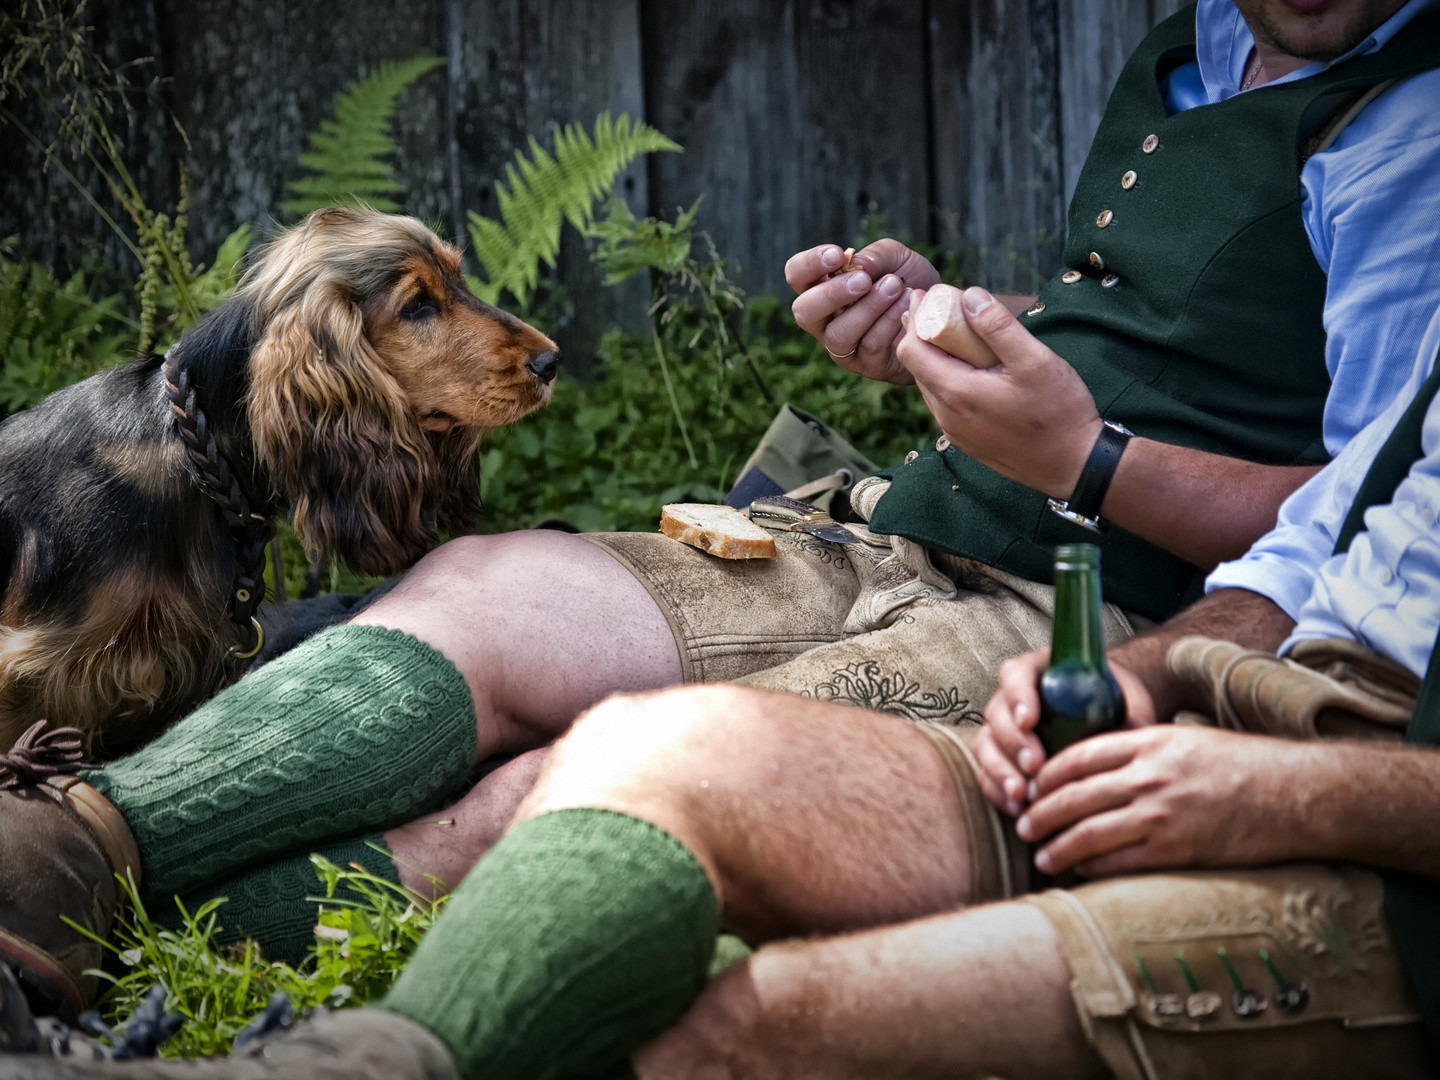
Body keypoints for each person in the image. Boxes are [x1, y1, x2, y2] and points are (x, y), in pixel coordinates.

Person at [5, 0, 1440, 1015]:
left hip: (1094, 617)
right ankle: (55, 852)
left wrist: (1085, 458)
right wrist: (959, 328)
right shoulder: (1190, 47)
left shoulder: (1413, 129)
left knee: (593, 771)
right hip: (894, 523)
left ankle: (135, 961)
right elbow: (1156, 344)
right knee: (489, 591)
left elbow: (1374, 507)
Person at [7, 307, 1440, 1080]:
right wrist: (1143, 674)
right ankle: (54, 866)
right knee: (512, 611)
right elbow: (1315, 546)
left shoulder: (1392, 132)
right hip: (1014, 579)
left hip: (1339, 796)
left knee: (636, 889)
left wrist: (1304, 781)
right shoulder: (1191, 77)